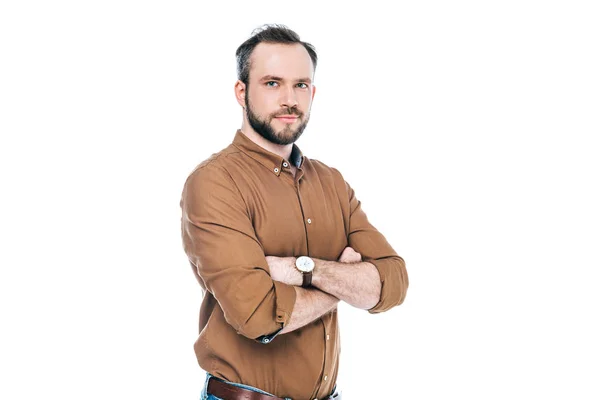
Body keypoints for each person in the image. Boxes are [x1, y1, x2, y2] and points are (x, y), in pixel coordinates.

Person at [180, 24, 408, 400]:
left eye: (301, 85)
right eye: (272, 83)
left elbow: (392, 283)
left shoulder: (331, 182)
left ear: (313, 92)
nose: (290, 99)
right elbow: (257, 314)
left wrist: (303, 269)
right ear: (242, 91)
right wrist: (345, 285)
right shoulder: (214, 183)